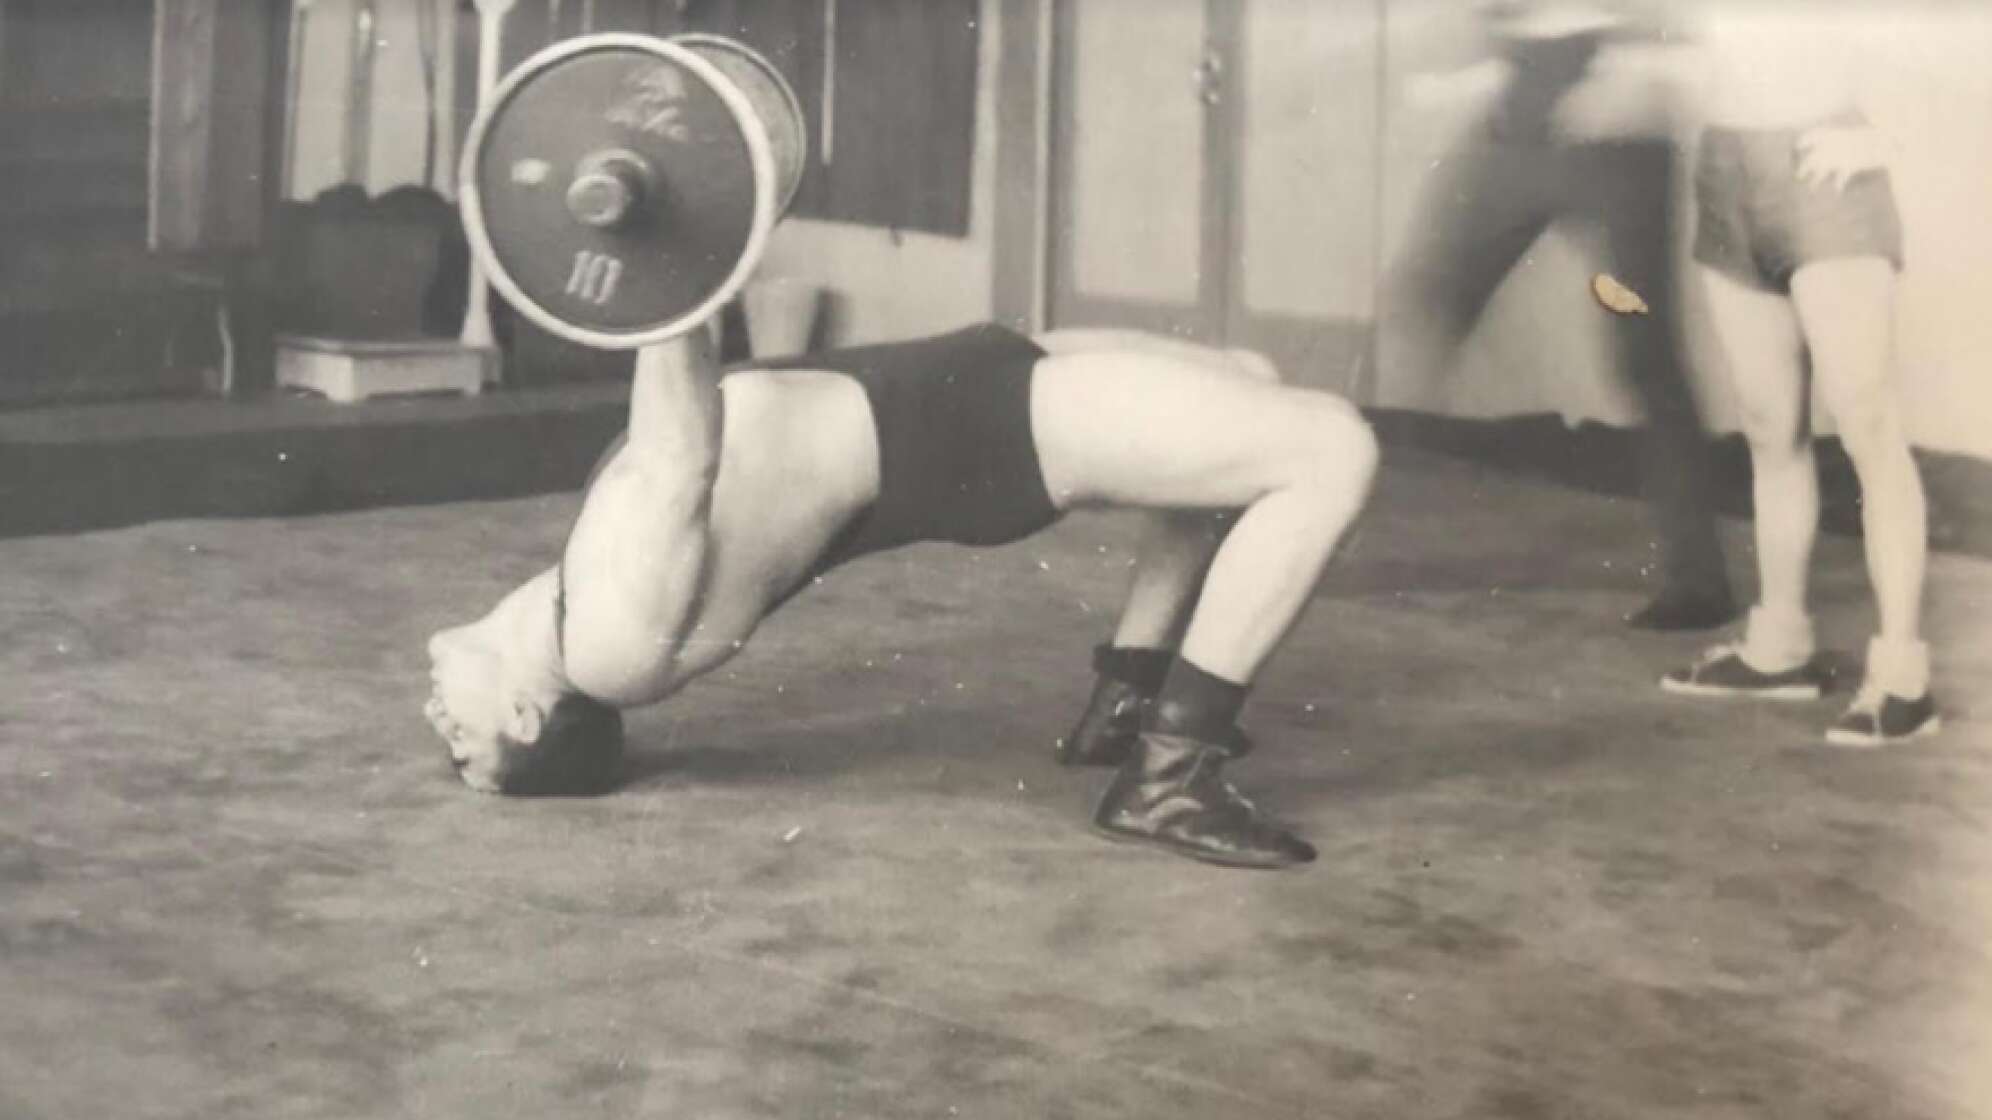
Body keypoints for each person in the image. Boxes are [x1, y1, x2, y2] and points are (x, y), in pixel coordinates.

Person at [424, 323, 1378, 869]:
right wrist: (670, 277)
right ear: (524, 710)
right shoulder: (605, 650)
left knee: (1249, 380)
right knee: (1329, 450)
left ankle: (1127, 699)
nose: (437, 720)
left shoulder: (573, 603)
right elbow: (680, 454)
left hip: (939, 380)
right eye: (462, 743)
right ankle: (1170, 779)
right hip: (964, 436)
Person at [1374, 0, 1735, 631]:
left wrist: (1635, 72)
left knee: (1645, 351)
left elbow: (1688, 23)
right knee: (1428, 294)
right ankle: (1346, 518)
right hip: (1523, 104)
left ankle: (1699, 582)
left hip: (1616, 124)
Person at [1658, 9, 1939, 745]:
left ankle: (1905, 678)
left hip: (1822, 173)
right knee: (1767, 423)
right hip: (1725, 172)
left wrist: (1893, 134)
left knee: (1866, 421)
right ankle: (1779, 644)